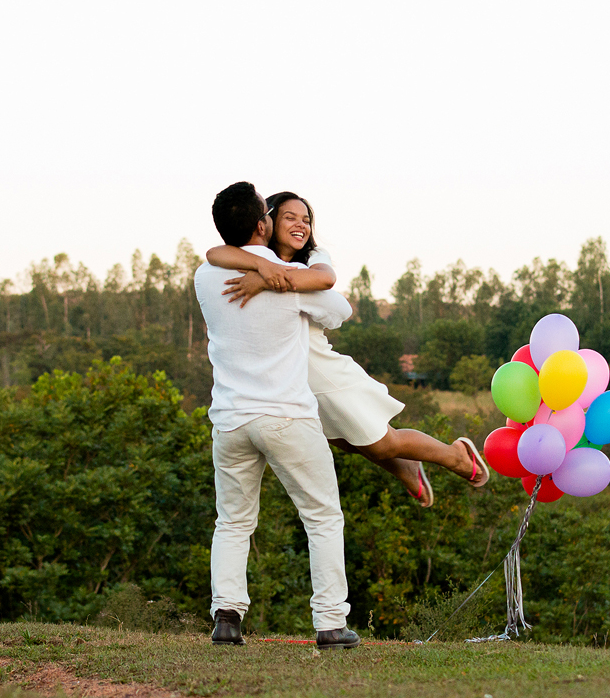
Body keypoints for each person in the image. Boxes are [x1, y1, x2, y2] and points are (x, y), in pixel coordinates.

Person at [206, 191, 489, 508]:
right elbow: (213, 253)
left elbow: (334, 300)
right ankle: (408, 467)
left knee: (380, 443)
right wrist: (264, 270)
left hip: (317, 368)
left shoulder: (313, 260)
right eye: (290, 217)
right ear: (266, 221)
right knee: (342, 440)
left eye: (306, 220)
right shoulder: (257, 259)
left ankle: (454, 455)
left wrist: (269, 281)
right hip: (285, 380)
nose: (301, 225)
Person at [194, 181, 361, 650]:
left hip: (230, 420)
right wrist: (282, 272)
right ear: (263, 224)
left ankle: (227, 617)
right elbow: (339, 309)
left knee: (232, 521)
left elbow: (215, 254)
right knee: (323, 517)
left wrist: (264, 272)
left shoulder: (205, 276)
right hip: (287, 415)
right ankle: (330, 623)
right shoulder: (291, 276)